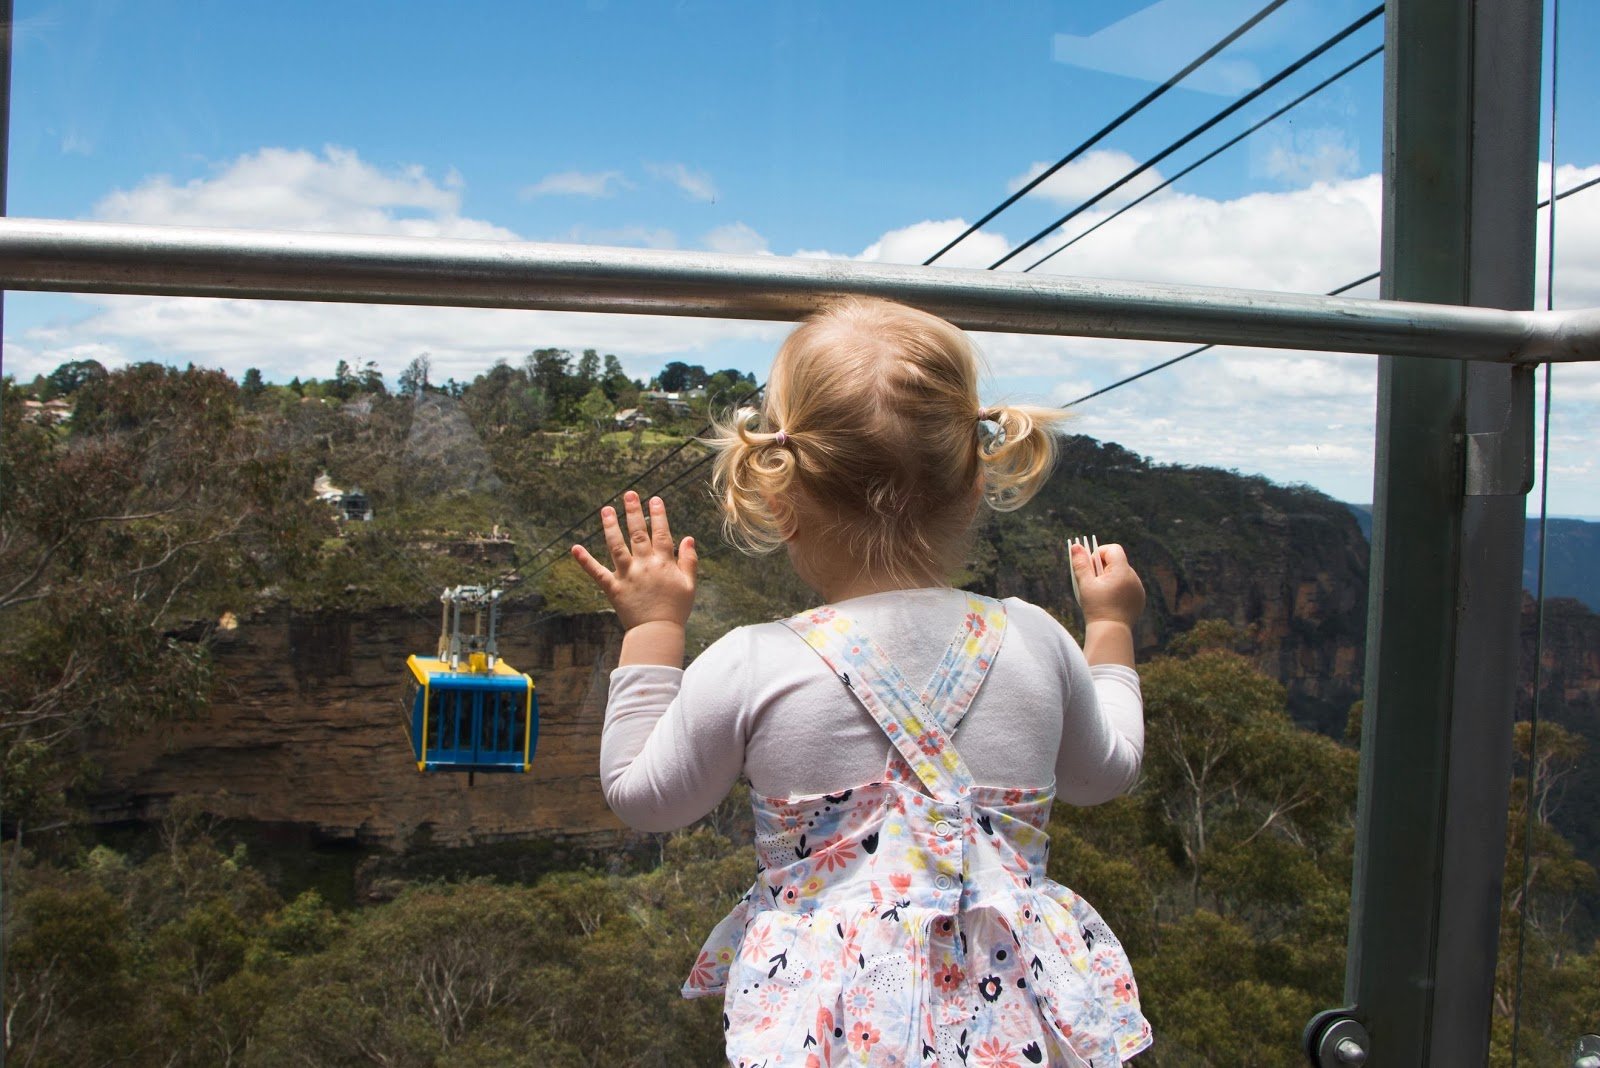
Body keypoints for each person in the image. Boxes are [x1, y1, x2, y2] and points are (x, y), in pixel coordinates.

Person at [572, 296, 1152, 1066]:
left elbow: (646, 798)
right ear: (975, 484)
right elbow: (1103, 775)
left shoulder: (755, 664)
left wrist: (653, 628)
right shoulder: (1040, 640)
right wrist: (1109, 627)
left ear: (780, 503)